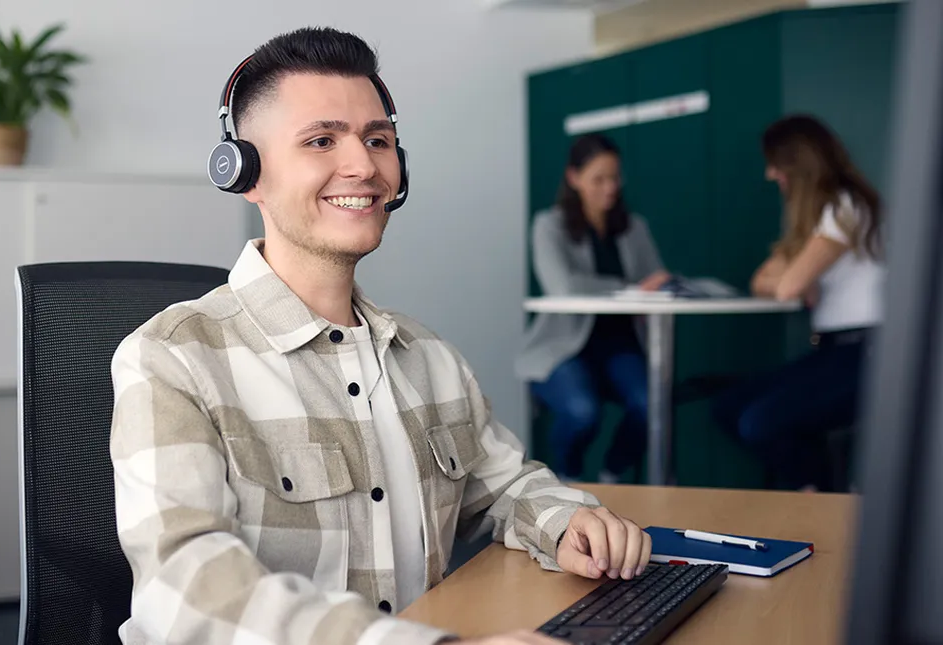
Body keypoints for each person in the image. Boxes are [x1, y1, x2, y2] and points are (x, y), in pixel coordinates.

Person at [109, 27, 651, 645]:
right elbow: (187, 594)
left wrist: (566, 521)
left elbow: (506, 484)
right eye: (321, 140)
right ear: (245, 174)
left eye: (378, 140)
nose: (364, 166)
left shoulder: (427, 357)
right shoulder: (172, 359)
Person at [713, 114, 884, 492]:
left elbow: (787, 285)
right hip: (833, 353)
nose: (769, 175)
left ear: (796, 163)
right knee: (728, 407)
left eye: (775, 164)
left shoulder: (846, 207)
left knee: (760, 423)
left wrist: (796, 279)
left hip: (868, 356)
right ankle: (816, 487)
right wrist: (795, 279)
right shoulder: (819, 217)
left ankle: (821, 493)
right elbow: (762, 280)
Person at [516, 134, 670, 483]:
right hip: (565, 346)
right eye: (599, 178)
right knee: (582, 411)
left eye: (615, 177)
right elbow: (563, 286)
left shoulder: (634, 227)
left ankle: (611, 475)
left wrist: (652, 287)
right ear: (574, 178)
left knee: (653, 407)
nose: (610, 187)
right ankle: (566, 480)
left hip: (622, 344)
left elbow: (655, 282)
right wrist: (631, 288)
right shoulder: (549, 225)